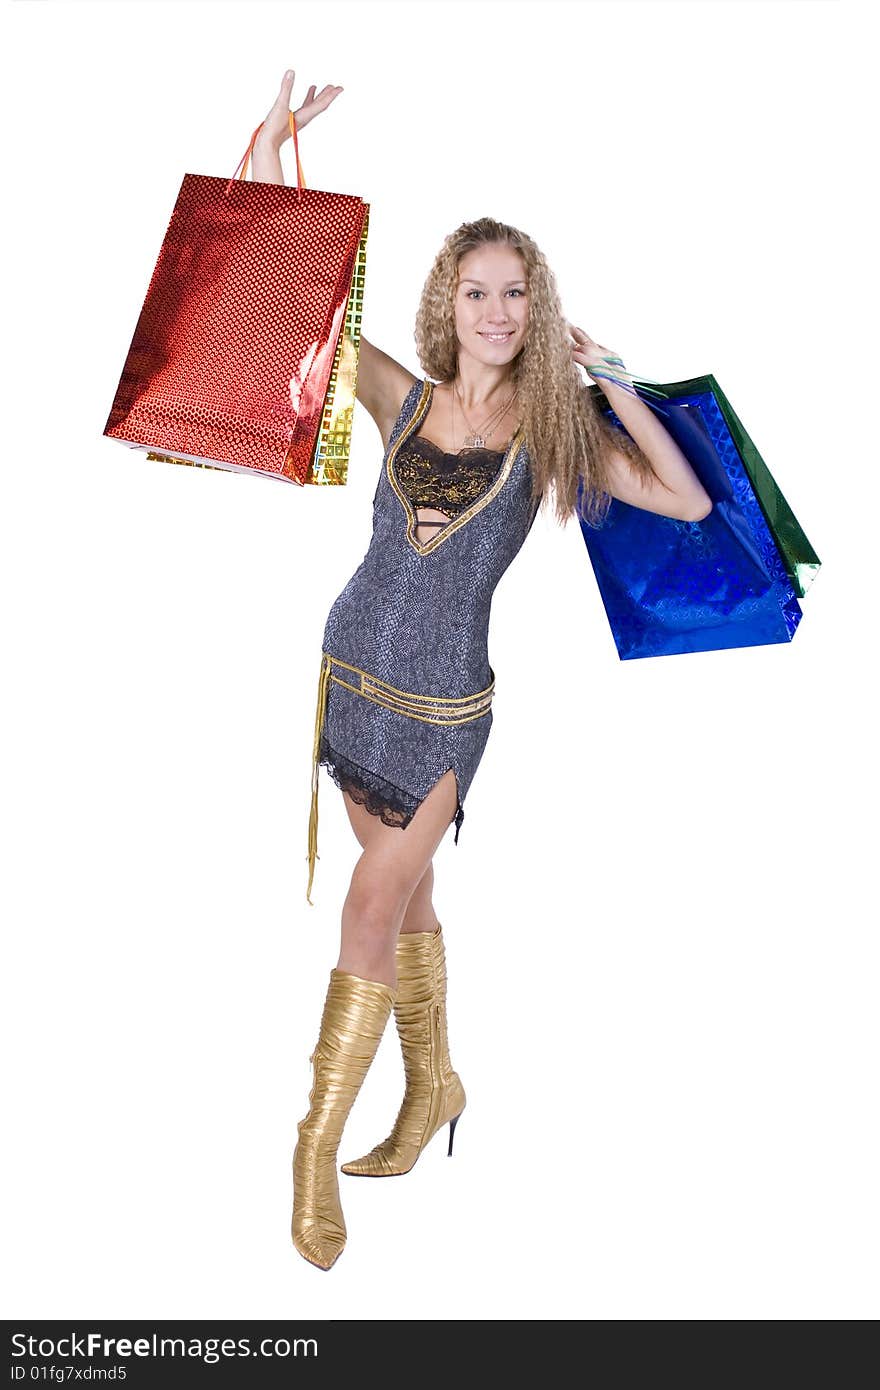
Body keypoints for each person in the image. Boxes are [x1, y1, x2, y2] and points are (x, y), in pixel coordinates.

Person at [254, 69, 713, 1271]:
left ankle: (312, 1145)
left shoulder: (556, 436)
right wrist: (265, 146)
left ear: (536, 304)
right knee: (401, 898)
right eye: (477, 290)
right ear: (446, 302)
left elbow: (685, 493)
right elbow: (278, 285)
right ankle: (437, 1084)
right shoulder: (401, 400)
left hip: (447, 711)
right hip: (350, 678)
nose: (497, 310)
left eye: (516, 292)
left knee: (367, 901)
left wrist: (608, 375)